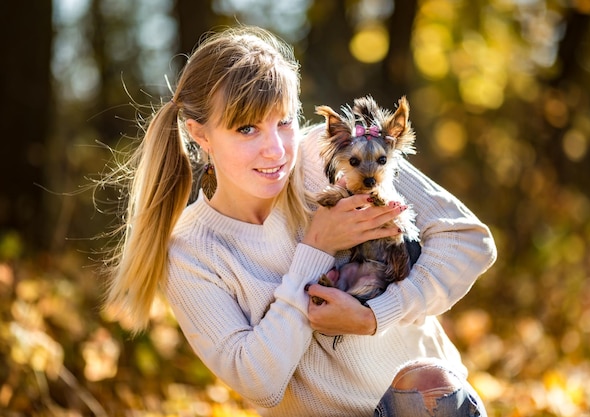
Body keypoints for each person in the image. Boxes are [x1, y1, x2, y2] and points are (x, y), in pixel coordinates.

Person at [103, 25, 497, 417]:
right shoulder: (192, 250)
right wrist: (315, 250)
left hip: (429, 406)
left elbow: (467, 240)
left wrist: (376, 315)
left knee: (426, 385)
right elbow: (260, 384)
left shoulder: (327, 157)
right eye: (246, 128)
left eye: (284, 121)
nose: (275, 150)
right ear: (200, 134)